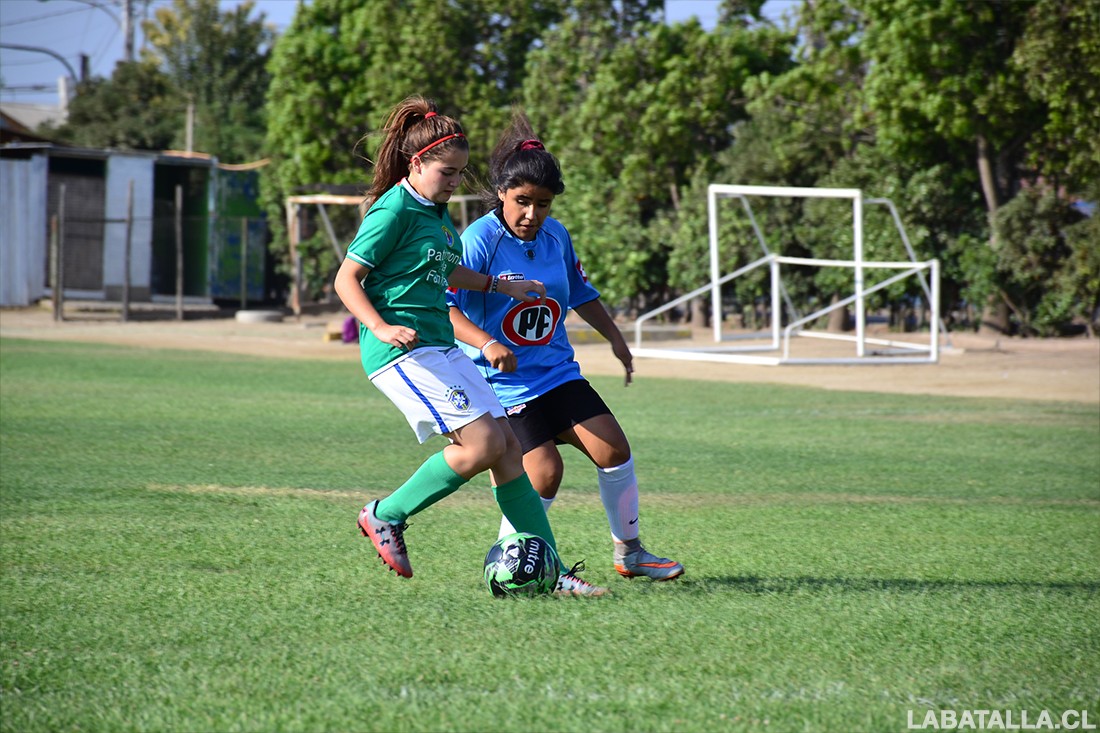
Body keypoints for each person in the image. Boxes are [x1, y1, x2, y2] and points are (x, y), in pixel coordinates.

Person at [333, 96, 606, 597]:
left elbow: (442, 271)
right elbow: (347, 278)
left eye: (460, 173)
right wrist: (379, 326)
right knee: (481, 445)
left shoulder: (434, 213)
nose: (455, 182)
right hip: (402, 350)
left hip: (438, 345)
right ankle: (386, 513)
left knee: (506, 449)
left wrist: (504, 287)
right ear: (417, 163)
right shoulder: (392, 209)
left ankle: (552, 570)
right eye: (447, 172)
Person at [447, 110, 684, 582]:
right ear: (500, 194)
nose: (532, 214)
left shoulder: (556, 236)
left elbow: (578, 292)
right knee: (544, 473)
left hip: (557, 373)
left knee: (614, 449)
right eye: (522, 201)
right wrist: (487, 340)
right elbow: (444, 306)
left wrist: (616, 340)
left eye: (544, 204)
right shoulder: (478, 241)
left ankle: (630, 554)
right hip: (506, 386)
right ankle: (513, 565)